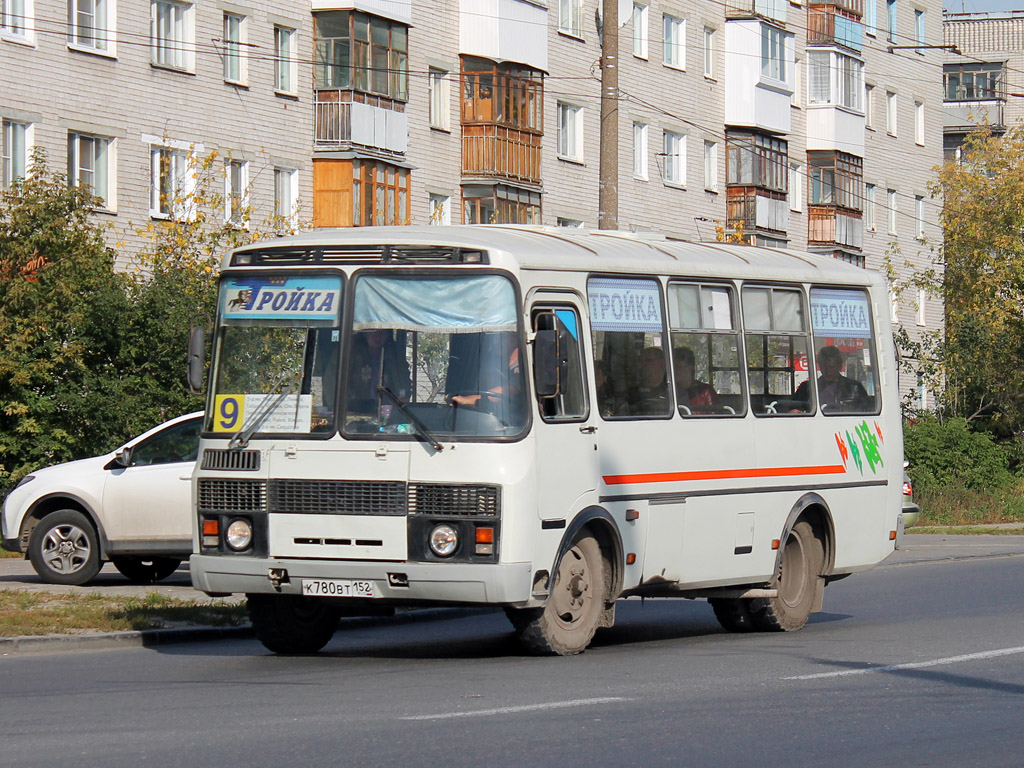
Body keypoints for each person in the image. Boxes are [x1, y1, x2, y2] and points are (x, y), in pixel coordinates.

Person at [346, 329, 410, 418]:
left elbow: (404, 383)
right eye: (373, 332)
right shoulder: (349, 355)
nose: (378, 336)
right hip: (355, 413)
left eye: (383, 333)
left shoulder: (395, 358)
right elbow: (333, 383)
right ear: (365, 333)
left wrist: (403, 396)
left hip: (389, 412)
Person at [794, 345, 872, 412]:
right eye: (824, 367)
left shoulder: (855, 388)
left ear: (839, 366)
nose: (828, 372)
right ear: (819, 366)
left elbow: (867, 412)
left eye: (831, 367)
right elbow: (793, 408)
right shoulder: (806, 388)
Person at [673, 346, 719, 410]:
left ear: (690, 368)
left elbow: (714, 417)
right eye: (673, 367)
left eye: (679, 367)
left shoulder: (706, 392)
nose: (675, 370)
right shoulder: (670, 391)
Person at [631, 346, 670, 415]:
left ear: (662, 363)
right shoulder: (633, 393)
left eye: (648, 360)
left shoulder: (673, 392)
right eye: (640, 361)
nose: (642, 365)